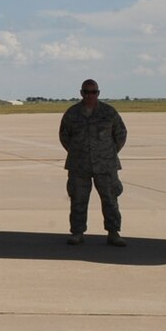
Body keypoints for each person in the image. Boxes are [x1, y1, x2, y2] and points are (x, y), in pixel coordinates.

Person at [59, 78, 127, 247]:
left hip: (105, 165)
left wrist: (108, 153)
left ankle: (113, 232)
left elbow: (120, 134)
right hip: (79, 165)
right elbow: (64, 136)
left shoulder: (108, 112)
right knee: (78, 200)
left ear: (98, 93)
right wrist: (77, 152)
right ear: (81, 93)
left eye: (93, 92)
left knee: (110, 199)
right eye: (87, 92)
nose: (90, 95)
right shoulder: (72, 113)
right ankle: (77, 232)